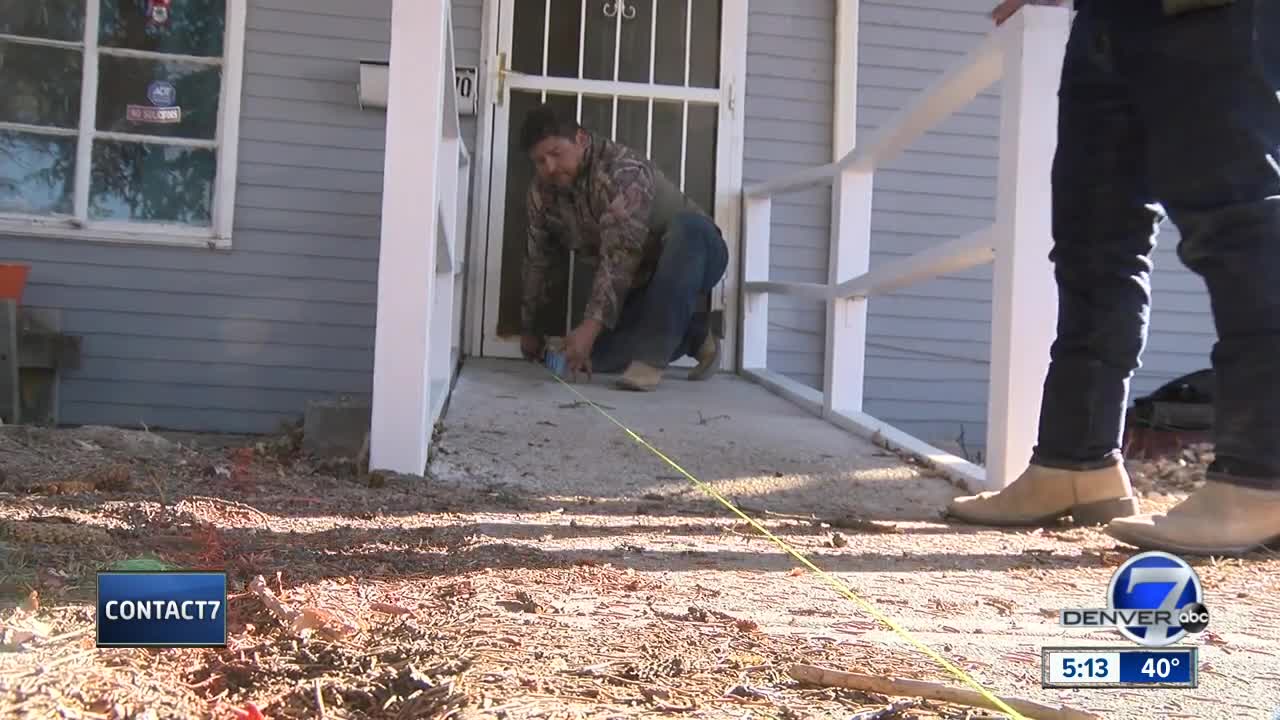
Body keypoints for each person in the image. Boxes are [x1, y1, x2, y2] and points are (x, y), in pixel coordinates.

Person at [947, 0, 1280, 557]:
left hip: (1209, 12)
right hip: (1106, 16)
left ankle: (1260, 478)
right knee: (1092, 246)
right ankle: (1074, 463)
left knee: (1237, 225)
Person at [517, 103, 728, 392]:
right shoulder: (542, 194)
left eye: (556, 153)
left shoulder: (622, 170)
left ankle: (651, 359)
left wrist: (589, 327)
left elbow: (620, 256)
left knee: (688, 229)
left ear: (580, 138)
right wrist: (530, 329)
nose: (549, 167)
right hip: (641, 285)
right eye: (540, 161)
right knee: (597, 356)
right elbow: (538, 260)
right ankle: (695, 333)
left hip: (698, 254)